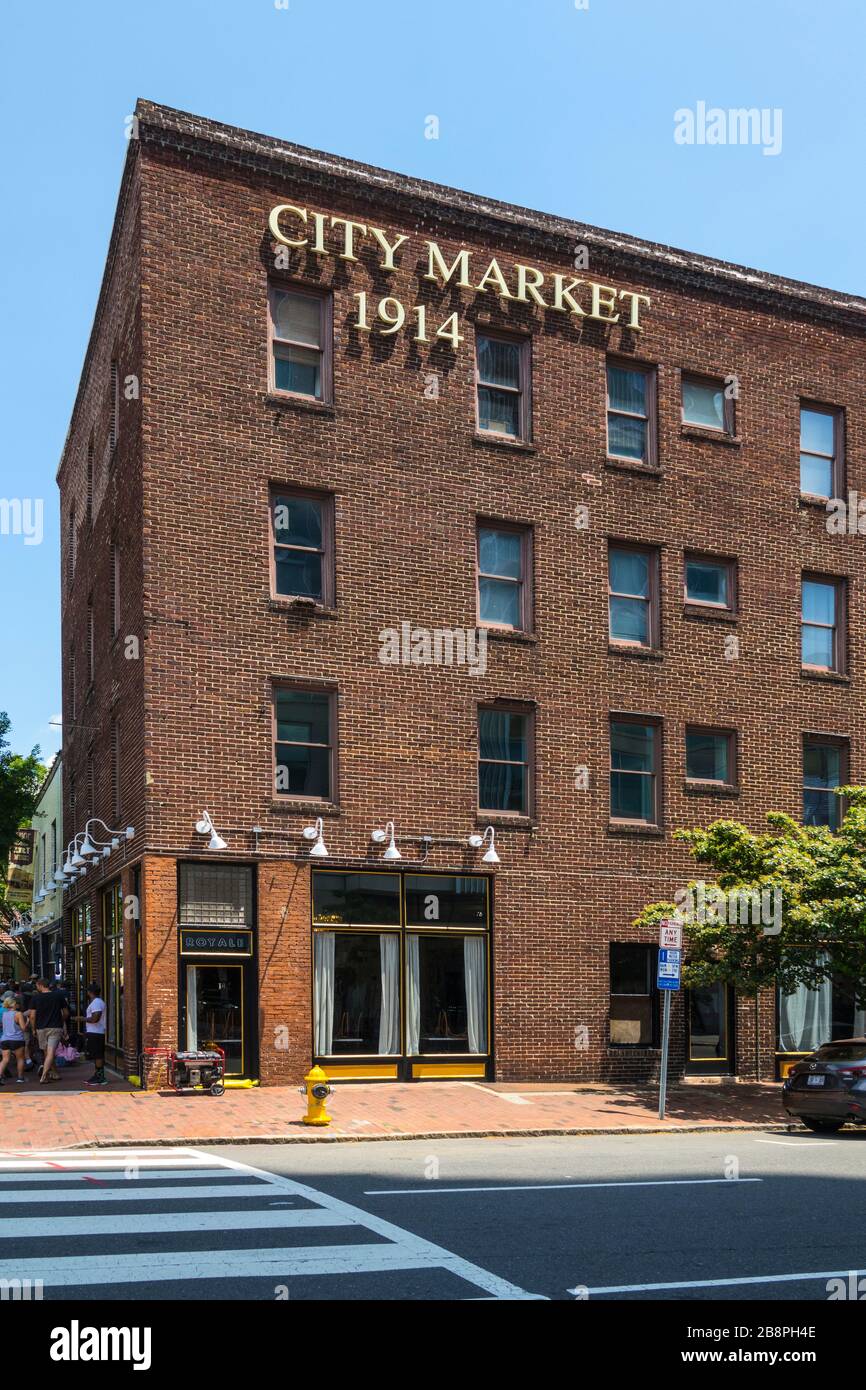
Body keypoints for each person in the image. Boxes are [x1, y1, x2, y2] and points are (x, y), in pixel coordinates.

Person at [28, 979, 68, 1084]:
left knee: (47, 1052)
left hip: (41, 1028)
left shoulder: (35, 998)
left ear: (40, 985)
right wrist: (61, 1020)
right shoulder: (58, 996)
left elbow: (32, 1016)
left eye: (37, 985)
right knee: (50, 1052)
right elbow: (66, 1012)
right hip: (55, 1027)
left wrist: (33, 1029)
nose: (36, 987)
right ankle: (52, 1073)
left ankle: (45, 1075)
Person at [0, 994, 28, 1084]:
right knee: (20, 1059)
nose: (18, 1004)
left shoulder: (4, 1014)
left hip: (5, 1039)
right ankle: (20, 1078)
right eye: (17, 1003)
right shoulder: (18, 1014)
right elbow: (23, 1028)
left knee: (5, 1059)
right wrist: (27, 1022)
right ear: (14, 1004)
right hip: (17, 1039)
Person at [84, 983, 107, 1086]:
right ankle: (98, 1075)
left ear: (90, 992)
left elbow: (95, 1018)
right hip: (96, 1032)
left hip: (96, 1032)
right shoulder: (97, 1002)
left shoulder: (96, 1003)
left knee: (98, 1055)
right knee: (97, 1055)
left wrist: (82, 1019)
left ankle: (100, 1077)